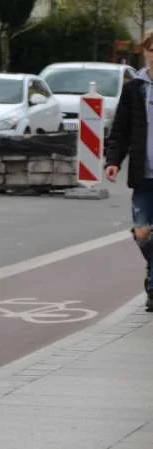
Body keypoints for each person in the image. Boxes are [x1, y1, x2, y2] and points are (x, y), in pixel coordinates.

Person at [105, 29, 153, 311]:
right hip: (143, 176)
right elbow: (121, 129)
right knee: (142, 233)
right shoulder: (134, 89)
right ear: (144, 53)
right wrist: (113, 161)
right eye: (151, 49)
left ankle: (152, 287)